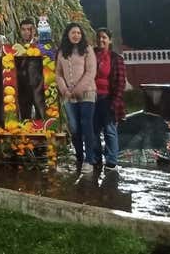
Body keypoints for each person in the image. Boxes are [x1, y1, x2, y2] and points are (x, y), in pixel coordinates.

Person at [55, 22, 97, 173]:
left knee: (86, 125)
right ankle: (79, 156)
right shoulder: (62, 52)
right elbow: (58, 73)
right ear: (67, 34)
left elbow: (91, 72)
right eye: (73, 33)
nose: (76, 35)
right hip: (68, 96)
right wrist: (65, 90)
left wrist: (78, 89)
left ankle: (89, 160)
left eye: (79, 33)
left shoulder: (87, 50)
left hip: (87, 93)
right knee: (74, 127)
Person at [93, 28, 126, 171]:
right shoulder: (91, 55)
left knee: (109, 130)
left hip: (108, 98)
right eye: (99, 37)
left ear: (109, 40)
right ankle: (95, 159)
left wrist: (115, 102)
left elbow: (120, 83)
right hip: (92, 98)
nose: (101, 40)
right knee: (93, 130)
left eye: (104, 37)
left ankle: (112, 160)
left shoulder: (116, 59)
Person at [15, 18, 47, 120]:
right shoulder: (16, 47)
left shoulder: (42, 45)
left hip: (38, 86)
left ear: (34, 30)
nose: (26, 32)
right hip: (22, 86)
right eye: (23, 29)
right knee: (24, 116)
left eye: (29, 29)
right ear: (20, 31)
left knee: (41, 115)